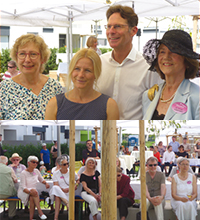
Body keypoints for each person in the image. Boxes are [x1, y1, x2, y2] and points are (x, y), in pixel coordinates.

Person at [96, 5, 161, 120]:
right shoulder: (99, 63)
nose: (111, 31)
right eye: (109, 26)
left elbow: (158, 105)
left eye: (117, 26)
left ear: (133, 31)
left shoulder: (148, 66)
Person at [0, 34, 63, 120]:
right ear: (16, 58)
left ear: (43, 58)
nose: (27, 60)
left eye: (33, 54)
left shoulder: (55, 87)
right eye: (22, 54)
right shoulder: (4, 89)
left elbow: (62, 124)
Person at [45, 48, 119, 120]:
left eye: (87, 70)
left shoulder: (109, 106)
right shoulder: (54, 104)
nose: (80, 75)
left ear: (96, 74)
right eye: (77, 69)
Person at [142, 29, 199, 120]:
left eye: (173, 52)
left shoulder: (197, 97)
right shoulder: (149, 96)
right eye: (162, 52)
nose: (166, 57)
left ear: (187, 61)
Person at [18, 156, 50, 220]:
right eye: (33, 162)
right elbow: (23, 187)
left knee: (32, 197)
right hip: (23, 191)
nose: (35, 164)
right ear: (28, 163)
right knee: (34, 192)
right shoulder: (23, 173)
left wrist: (46, 183)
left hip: (33, 192)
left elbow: (41, 179)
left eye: (37, 162)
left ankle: (31, 218)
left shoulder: (36, 171)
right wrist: (30, 192)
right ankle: (40, 212)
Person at [50, 155, 79, 220]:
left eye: (67, 164)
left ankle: (56, 217)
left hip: (69, 191)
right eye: (64, 164)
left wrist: (75, 185)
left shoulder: (71, 171)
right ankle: (66, 203)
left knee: (57, 196)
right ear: (60, 166)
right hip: (60, 190)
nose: (67, 166)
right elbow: (56, 184)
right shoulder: (56, 173)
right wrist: (62, 189)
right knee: (55, 189)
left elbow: (78, 179)